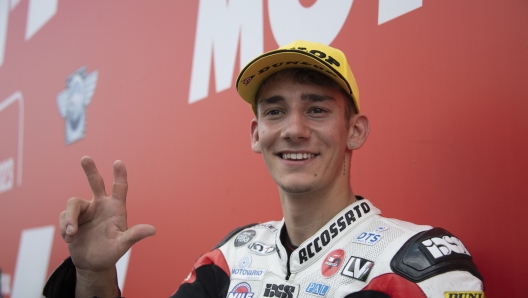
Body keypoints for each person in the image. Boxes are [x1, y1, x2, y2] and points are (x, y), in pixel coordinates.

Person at [44, 40, 485, 298]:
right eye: (275, 112)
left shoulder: (418, 263)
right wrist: (94, 275)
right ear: (256, 135)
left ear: (355, 130)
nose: (293, 130)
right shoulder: (230, 258)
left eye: (316, 109)